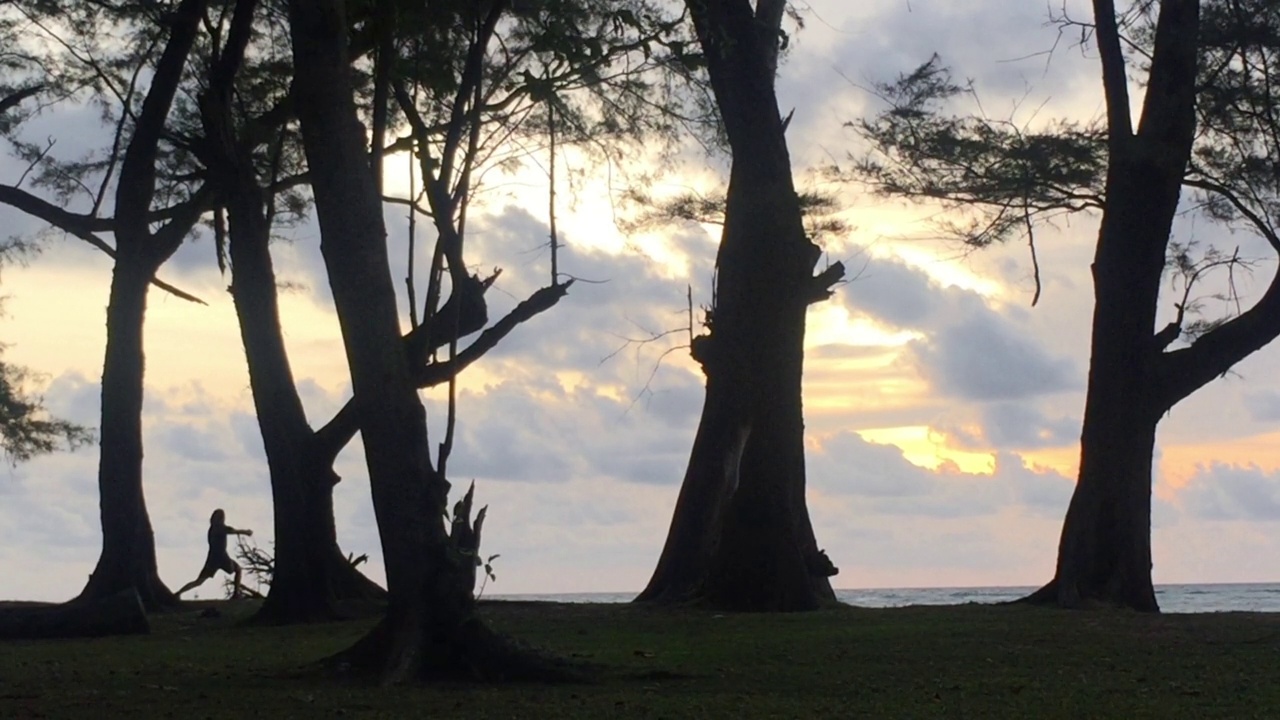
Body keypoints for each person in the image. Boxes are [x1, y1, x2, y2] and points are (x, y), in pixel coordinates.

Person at [176, 509, 253, 599]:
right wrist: (246, 532)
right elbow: (232, 531)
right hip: (222, 557)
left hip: (212, 558)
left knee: (198, 582)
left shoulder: (212, 529)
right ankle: (236, 594)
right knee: (238, 569)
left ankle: (178, 593)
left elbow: (231, 530)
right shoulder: (220, 528)